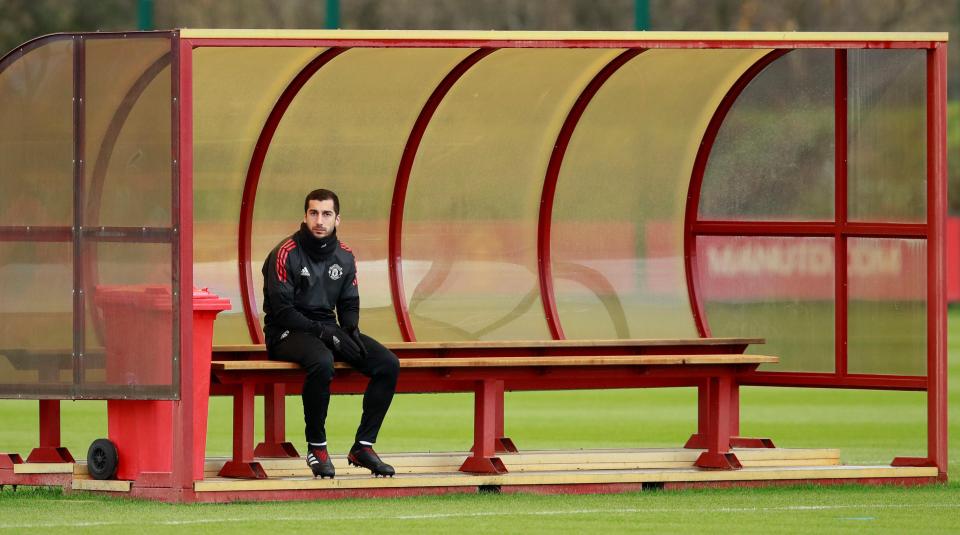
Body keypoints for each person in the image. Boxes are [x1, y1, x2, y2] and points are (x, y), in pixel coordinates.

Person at [261, 188, 399, 478]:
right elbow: (283, 311)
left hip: (327, 329)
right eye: (314, 213)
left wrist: (350, 329)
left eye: (326, 214)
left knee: (387, 364)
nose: (319, 220)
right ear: (305, 216)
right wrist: (326, 335)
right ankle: (317, 447)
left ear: (338, 219)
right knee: (322, 362)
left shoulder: (345, 256)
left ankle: (363, 446)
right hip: (286, 333)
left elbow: (349, 302)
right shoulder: (285, 253)